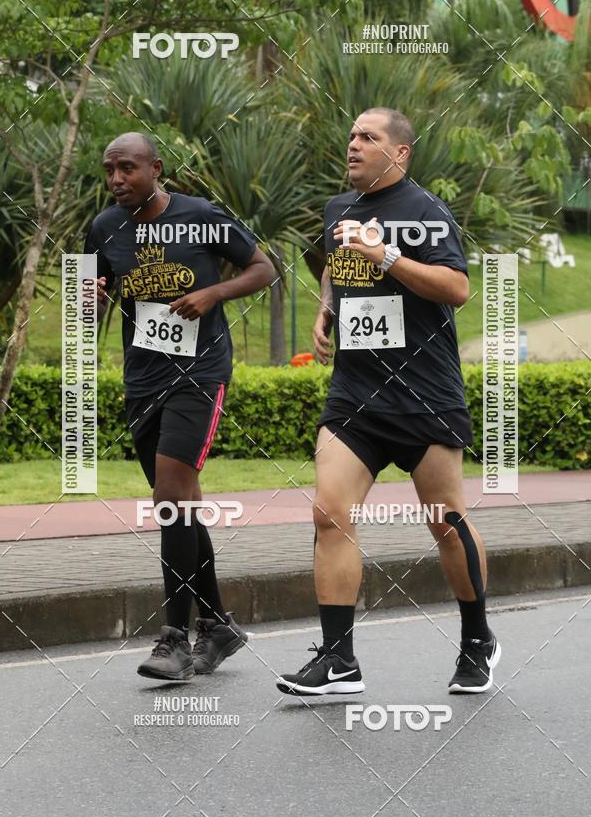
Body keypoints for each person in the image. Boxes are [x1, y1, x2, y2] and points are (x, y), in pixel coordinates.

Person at [276, 107, 500, 696]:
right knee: (329, 512)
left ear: (398, 154)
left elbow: (457, 288)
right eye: (350, 134)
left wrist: (389, 259)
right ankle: (339, 659)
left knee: (446, 524)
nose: (352, 144)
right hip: (355, 397)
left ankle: (478, 639)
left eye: (367, 138)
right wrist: (325, 307)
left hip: (425, 396)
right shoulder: (337, 210)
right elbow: (330, 264)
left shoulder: (427, 213)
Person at [85, 132, 274, 680]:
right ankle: (217, 624)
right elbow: (89, 308)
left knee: (169, 495)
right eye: (109, 170)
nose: (117, 179)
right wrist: (92, 302)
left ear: (156, 169)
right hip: (142, 379)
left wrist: (214, 294)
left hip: (200, 374)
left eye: (128, 168)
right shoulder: (103, 228)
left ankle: (173, 639)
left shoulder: (201, 217)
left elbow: (264, 268)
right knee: (182, 503)